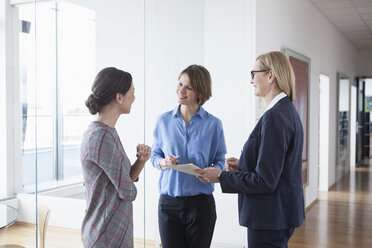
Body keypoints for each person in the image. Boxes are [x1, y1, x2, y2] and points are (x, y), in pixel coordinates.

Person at [197, 51, 305, 248]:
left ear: (270, 75)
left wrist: (220, 176)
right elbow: (279, 167)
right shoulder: (286, 110)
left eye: (253, 74)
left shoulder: (275, 117)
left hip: (269, 216)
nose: (251, 81)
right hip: (279, 213)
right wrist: (244, 165)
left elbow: (265, 181)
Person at [151, 64, 227, 248]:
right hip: (168, 205)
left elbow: (220, 159)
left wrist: (214, 171)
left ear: (200, 91)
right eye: (180, 84)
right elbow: (155, 156)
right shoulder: (163, 121)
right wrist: (164, 162)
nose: (181, 90)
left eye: (189, 87)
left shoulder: (214, 124)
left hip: (201, 205)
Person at [81, 67, 151, 248]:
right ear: (119, 97)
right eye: (132, 92)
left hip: (112, 230)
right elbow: (128, 191)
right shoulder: (101, 136)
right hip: (106, 235)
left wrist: (141, 161)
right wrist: (129, 184)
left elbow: (125, 179)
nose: (134, 98)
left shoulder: (107, 132)